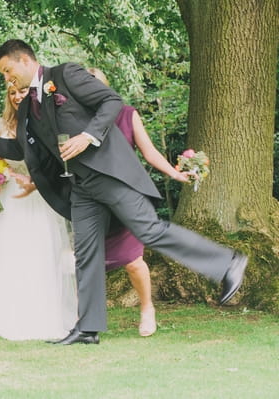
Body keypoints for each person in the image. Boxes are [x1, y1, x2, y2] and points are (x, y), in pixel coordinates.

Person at [0, 39, 248, 345]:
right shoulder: (27, 106)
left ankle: (227, 263)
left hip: (109, 174)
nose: (7, 77)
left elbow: (111, 101)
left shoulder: (65, 75)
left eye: (8, 70)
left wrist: (88, 137)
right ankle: (88, 329)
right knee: (86, 254)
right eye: (3, 74)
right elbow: (20, 148)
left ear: (25, 60)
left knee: (150, 230)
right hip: (79, 187)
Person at [89, 66, 195, 337]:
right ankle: (86, 318)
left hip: (126, 198)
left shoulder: (127, 114)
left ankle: (147, 309)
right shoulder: (74, 121)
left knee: (133, 260)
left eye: (97, 85)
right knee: (87, 262)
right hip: (91, 201)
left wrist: (175, 174)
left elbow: (149, 152)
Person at [0, 84, 78, 340]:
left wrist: (35, 182)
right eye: (12, 93)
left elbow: (57, 161)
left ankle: (44, 314)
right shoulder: (1, 124)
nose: (17, 96)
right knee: (13, 251)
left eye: (22, 91)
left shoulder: (45, 123)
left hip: (41, 193)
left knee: (42, 250)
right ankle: (10, 315)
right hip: (12, 196)